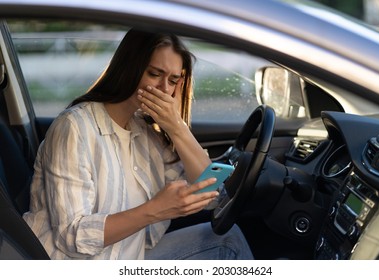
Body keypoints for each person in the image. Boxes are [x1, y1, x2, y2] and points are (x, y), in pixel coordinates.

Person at [23, 29, 253, 260]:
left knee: (227, 240)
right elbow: (72, 237)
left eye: (173, 80)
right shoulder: (74, 127)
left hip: (130, 255)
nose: (164, 89)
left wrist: (177, 127)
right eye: (155, 74)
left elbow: (210, 196)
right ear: (129, 68)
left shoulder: (145, 132)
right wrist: (154, 211)